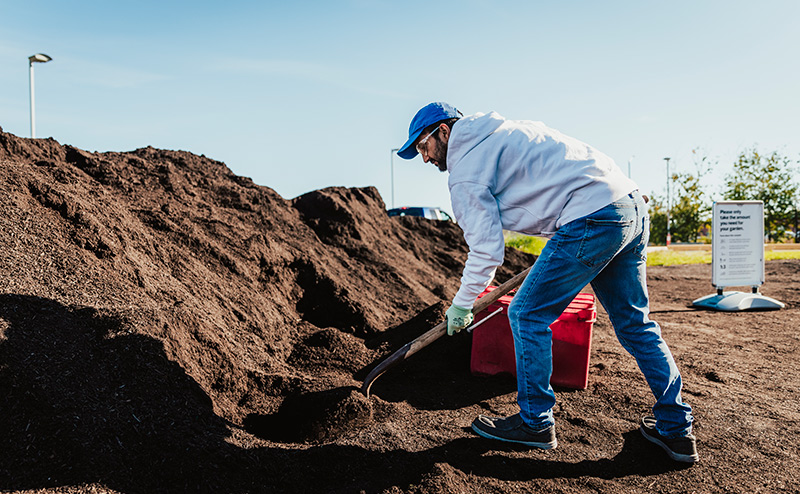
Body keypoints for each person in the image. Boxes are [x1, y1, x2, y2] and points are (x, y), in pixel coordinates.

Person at [396, 102, 698, 463]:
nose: (425, 158)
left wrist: (462, 303)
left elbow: (487, 252)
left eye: (422, 146)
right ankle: (677, 429)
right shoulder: (507, 130)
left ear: (443, 131)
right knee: (636, 324)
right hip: (628, 203)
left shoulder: (465, 172)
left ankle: (535, 422)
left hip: (591, 217)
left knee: (525, 315)